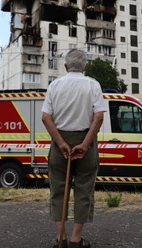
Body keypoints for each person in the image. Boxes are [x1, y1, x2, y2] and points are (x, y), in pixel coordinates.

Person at [41, 49, 107, 248]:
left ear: (65, 66)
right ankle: (76, 239)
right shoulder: (93, 85)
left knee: (58, 189)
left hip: (59, 139)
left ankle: (60, 238)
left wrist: (61, 143)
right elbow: (99, 116)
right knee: (84, 189)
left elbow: (46, 117)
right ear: (85, 66)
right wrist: (85, 145)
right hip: (85, 139)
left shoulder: (55, 85)